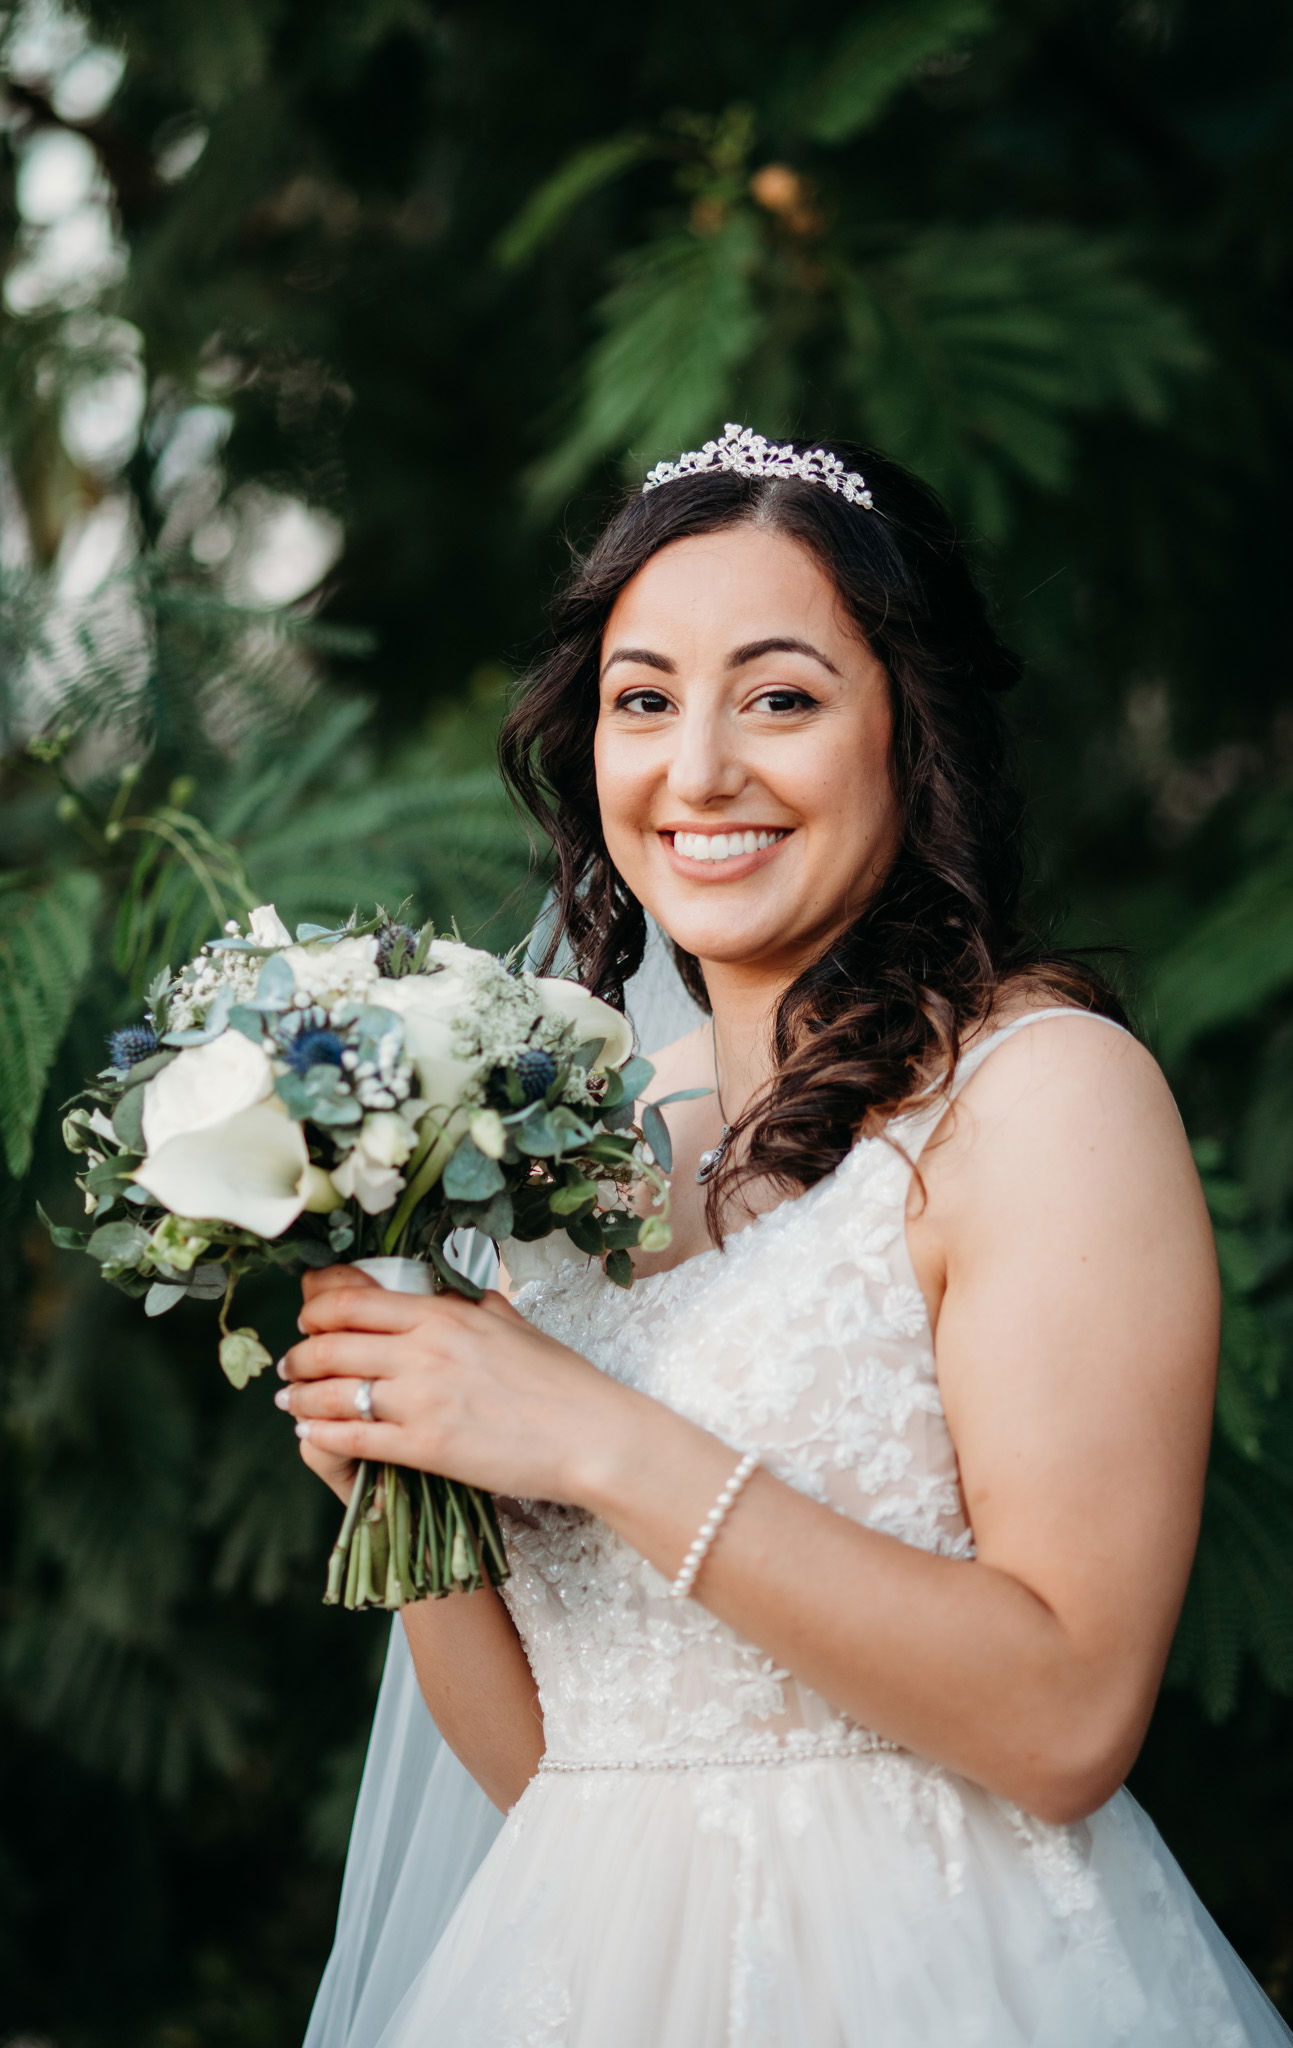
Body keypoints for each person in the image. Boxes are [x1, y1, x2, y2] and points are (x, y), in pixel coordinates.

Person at [280, 425, 1293, 2044]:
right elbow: (571, 1769)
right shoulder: (558, 1151)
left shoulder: (1040, 1097)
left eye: (780, 697)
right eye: (642, 700)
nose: (697, 774)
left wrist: (592, 1438)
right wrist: (404, 1486)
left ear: (911, 733)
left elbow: (1065, 1716)